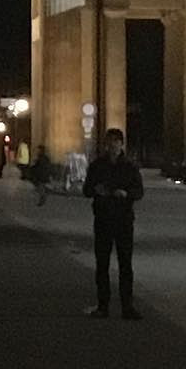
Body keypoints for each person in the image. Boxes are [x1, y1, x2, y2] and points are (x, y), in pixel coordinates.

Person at [83, 127, 143, 319]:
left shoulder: (130, 167)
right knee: (102, 264)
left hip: (123, 219)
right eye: (109, 142)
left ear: (121, 144)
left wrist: (126, 193)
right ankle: (103, 305)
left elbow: (139, 191)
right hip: (103, 218)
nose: (112, 146)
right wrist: (96, 189)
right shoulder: (97, 166)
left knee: (125, 264)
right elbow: (86, 190)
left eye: (115, 142)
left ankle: (127, 306)